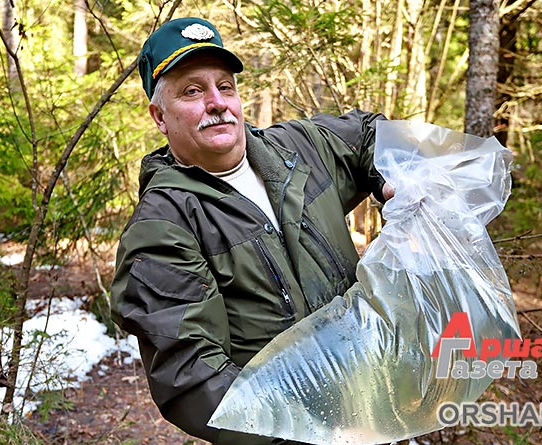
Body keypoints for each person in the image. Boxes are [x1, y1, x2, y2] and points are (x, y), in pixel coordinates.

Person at [110, 17, 393, 445]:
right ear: (159, 117)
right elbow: (193, 377)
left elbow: (370, 134)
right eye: (192, 91)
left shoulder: (298, 149)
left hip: (375, 416)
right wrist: (312, 427)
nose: (217, 102)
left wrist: (394, 175)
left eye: (225, 86)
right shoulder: (162, 227)